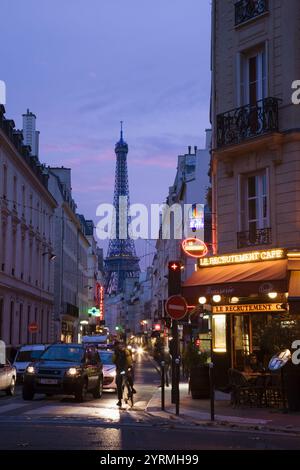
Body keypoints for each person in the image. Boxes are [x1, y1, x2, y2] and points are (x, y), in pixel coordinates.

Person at [112, 342, 136, 407]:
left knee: (119, 384)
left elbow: (113, 361)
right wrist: (130, 366)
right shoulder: (126, 351)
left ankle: (120, 400)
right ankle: (131, 388)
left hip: (120, 370)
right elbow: (130, 361)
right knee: (127, 378)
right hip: (124, 369)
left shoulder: (117, 352)